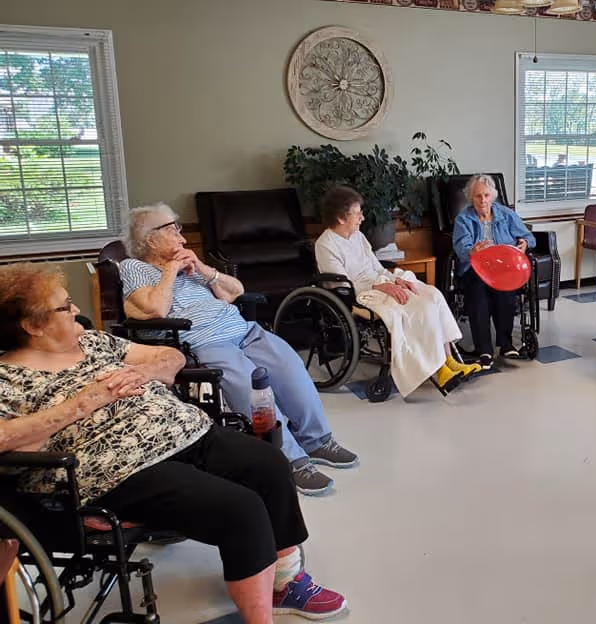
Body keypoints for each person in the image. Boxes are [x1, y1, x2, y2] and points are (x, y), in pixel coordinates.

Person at [0, 264, 347, 622]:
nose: (76, 311)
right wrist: (81, 404)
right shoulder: (6, 378)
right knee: (240, 507)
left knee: (268, 464)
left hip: (185, 431)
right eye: (65, 306)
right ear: (33, 325)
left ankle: (285, 583)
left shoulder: (94, 341)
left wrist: (146, 371)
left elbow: (171, 357)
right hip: (118, 467)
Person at [119, 203, 357, 497]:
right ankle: (291, 460)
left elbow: (236, 291)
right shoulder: (135, 267)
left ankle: (317, 439)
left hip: (245, 331)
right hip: (205, 342)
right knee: (253, 389)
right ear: (149, 239)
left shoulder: (190, 265)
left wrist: (204, 270)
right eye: (171, 230)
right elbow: (155, 308)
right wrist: (170, 270)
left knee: (290, 368)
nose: (181, 237)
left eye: (179, 229)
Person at [314, 186, 481, 398]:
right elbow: (341, 285)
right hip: (360, 294)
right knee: (417, 307)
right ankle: (438, 370)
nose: (362, 218)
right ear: (340, 218)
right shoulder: (326, 244)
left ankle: (449, 360)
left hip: (379, 282)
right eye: (357, 213)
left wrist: (397, 280)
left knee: (432, 295)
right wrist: (379, 286)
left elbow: (377, 268)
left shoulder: (358, 236)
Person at [453, 174, 536, 370]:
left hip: (503, 268)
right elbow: (460, 248)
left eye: (486, 195)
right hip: (475, 268)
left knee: (506, 292)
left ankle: (505, 344)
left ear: (493, 196)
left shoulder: (506, 214)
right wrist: (472, 251)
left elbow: (528, 237)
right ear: (470, 198)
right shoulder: (463, 219)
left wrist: (524, 243)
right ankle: (484, 349)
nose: (483, 200)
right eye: (478, 196)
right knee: (479, 295)